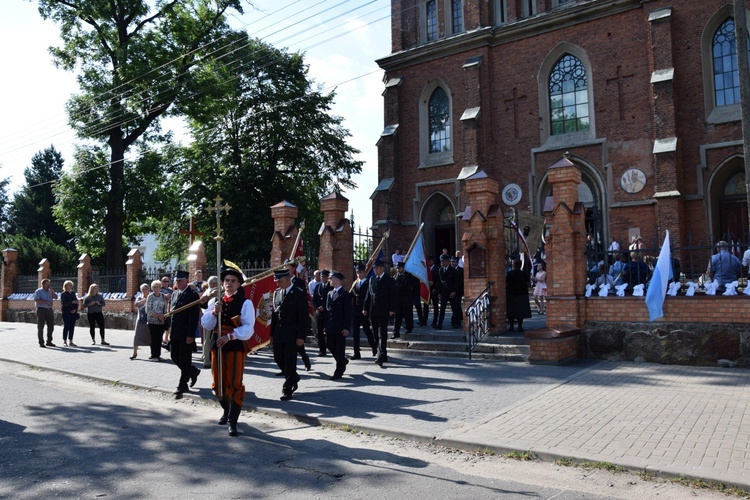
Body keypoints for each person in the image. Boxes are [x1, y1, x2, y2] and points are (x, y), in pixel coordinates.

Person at [201, 265, 255, 436]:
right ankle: (226, 409)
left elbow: (248, 329)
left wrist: (230, 336)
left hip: (234, 345)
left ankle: (233, 420)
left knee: (234, 382)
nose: (229, 283)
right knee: (219, 384)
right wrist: (213, 313)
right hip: (217, 345)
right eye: (226, 281)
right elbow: (206, 324)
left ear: (239, 284)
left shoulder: (245, 303)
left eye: (233, 281)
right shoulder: (215, 301)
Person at [269, 268, 308, 401]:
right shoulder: (277, 293)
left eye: (279, 280)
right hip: (279, 333)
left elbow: (303, 317)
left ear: (287, 279)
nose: (277, 283)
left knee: (290, 361)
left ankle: (288, 388)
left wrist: (301, 336)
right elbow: (274, 316)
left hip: (292, 333)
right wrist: (271, 335)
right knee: (278, 358)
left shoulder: (298, 293)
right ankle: (294, 377)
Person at [169, 270, 201, 400]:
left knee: (185, 358)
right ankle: (192, 371)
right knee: (174, 356)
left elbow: (193, 317)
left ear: (187, 280)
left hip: (185, 332)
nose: (178, 282)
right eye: (176, 280)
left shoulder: (192, 295)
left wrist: (190, 335)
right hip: (175, 332)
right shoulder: (175, 294)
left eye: (180, 280)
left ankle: (183, 385)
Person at [363, 259, 396, 367]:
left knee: (382, 333)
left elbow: (393, 296)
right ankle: (383, 353)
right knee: (375, 334)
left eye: (378, 268)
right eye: (374, 268)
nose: (376, 270)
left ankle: (380, 356)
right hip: (373, 311)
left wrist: (392, 309)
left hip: (384, 311)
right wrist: (365, 308)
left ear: (383, 268)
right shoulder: (372, 279)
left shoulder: (389, 280)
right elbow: (368, 295)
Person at [284, 258, 311, 371]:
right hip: (285, 318)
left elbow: (303, 301)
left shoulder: (299, 282)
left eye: (288, 269)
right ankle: (286, 368)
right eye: (285, 269)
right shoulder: (282, 281)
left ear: (293, 269)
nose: (287, 271)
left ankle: (306, 360)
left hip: (296, 318)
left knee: (299, 346)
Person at [325, 271, 352, 380]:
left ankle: (339, 371)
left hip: (340, 326)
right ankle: (343, 361)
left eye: (331, 278)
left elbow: (348, 312)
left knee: (340, 349)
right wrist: (325, 326)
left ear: (336, 279)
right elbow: (327, 311)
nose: (329, 280)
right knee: (330, 346)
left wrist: (346, 327)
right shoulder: (329, 293)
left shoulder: (345, 294)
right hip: (331, 326)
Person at [351, 263, 376, 358]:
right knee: (355, 332)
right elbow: (352, 296)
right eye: (357, 272)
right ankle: (356, 352)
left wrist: (368, 311)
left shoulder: (368, 282)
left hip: (364, 311)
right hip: (356, 311)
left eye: (360, 272)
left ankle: (374, 347)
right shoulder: (355, 283)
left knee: (367, 330)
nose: (359, 274)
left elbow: (370, 298)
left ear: (364, 272)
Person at [506, 259, 532, 332]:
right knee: (521, 311)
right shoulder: (524, 273)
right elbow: (528, 284)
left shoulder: (510, 273)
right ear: (521, 265)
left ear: (514, 265)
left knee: (511, 311)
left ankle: (511, 327)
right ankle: (520, 326)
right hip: (522, 294)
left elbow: (506, 284)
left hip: (511, 294)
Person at [146, 280, 168, 361]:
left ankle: (158, 354)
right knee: (154, 338)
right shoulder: (150, 296)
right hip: (152, 321)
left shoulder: (162, 296)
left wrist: (164, 315)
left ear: (160, 287)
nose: (156, 289)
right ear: (152, 288)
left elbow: (165, 308)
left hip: (161, 321)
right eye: (154, 287)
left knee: (159, 338)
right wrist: (158, 316)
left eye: (157, 287)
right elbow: (148, 310)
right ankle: (153, 355)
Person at [312, 269, 332, 356]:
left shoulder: (331, 287)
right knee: (320, 332)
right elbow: (314, 299)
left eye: (324, 276)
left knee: (328, 331)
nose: (322, 278)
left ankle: (331, 347)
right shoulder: (318, 287)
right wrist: (317, 307)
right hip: (319, 313)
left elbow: (330, 300)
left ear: (327, 277)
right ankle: (322, 350)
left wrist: (323, 306)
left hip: (327, 312)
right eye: (321, 277)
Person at [434, 254, 457, 330]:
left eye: (443, 261)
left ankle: (454, 322)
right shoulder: (440, 270)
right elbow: (439, 282)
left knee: (454, 308)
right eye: (441, 261)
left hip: (451, 292)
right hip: (444, 292)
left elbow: (456, 282)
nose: (442, 262)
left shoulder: (453, 270)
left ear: (448, 262)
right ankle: (439, 324)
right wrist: (438, 292)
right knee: (442, 308)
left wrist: (454, 291)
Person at [34, 278, 57, 348]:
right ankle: (41, 342)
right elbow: (36, 299)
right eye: (47, 284)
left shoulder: (50, 291)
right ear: (43, 284)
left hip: (49, 310)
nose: (48, 285)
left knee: (51, 326)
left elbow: (56, 297)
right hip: (41, 310)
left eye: (49, 284)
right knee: (41, 326)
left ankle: (49, 341)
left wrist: (52, 291)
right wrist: (46, 302)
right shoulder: (39, 291)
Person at [392, 261, 413, 338]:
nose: (398, 270)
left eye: (399, 268)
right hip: (398, 299)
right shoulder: (395, 276)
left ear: (403, 268)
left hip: (406, 299)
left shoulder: (408, 275)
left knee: (407, 315)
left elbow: (406, 286)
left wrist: (397, 287)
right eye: (397, 268)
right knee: (397, 317)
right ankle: (396, 332)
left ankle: (409, 327)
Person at [131, 283, 151, 359]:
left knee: (150, 336)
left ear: (149, 290)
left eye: (146, 289)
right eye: (143, 289)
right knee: (136, 336)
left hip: (150, 320)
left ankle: (152, 353)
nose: (145, 290)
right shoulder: (139, 297)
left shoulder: (151, 297)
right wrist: (144, 300)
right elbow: (136, 304)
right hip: (141, 320)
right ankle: (134, 353)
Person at [60, 280, 79, 347]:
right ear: (65, 286)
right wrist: (72, 302)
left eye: (71, 285)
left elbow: (76, 302)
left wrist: (75, 309)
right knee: (66, 326)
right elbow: (64, 303)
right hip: (66, 312)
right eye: (69, 285)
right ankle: (65, 341)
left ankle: (71, 341)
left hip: (73, 313)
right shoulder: (63, 294)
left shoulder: (73, 293)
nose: (70, 287)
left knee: (72, 327)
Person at [450, 255, 464, 329]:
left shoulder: (461, 270)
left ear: (457, 262)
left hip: (458, 291)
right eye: (451, 262)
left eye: (454, 262)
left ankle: (456, 321)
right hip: (451, 290)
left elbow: (460, 281)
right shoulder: (450, 269)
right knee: (454, 306)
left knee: (457, 305)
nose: (452, 263)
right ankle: (456, 319)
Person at [160, 275, 173, 348]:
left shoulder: (171, 290)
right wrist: (165, 295)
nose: (166, 283)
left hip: (169, 310)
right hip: (161, 310)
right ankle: (161, 339)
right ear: (162, 282)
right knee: (162, 325)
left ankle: (166, 339)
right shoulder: (160, 289)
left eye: (167, 281)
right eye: (164, 281)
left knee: (168, 325)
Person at [428, 255, 440, 327]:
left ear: (432, 261)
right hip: (427, 290)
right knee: (426, 306)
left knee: (435, 306)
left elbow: (438, 281)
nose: (429, 263)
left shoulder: (437, 269)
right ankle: (424, 320)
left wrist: (436, 289)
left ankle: (435, 320)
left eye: (430, 261)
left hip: (434, 290)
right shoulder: (426, 269)